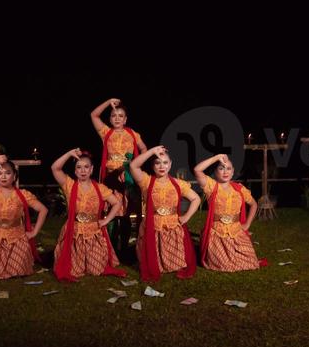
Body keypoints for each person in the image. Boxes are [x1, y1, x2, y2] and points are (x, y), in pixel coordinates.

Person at [51, 148, 125, 282]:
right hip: (74, 232)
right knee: (74, 270)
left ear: (91, 169)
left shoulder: (99, 188)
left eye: (86, 167)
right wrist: (68, 154)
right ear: (75, 171)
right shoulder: (69, 185)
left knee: (96, 270)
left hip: (93, 232)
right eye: (79, 167)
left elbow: (117, 203)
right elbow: (55, 168)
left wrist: (106, 220)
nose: (83, 170)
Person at [130, 145, 200, 281]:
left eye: (165, 162)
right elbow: (133, 166)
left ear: (170, 164)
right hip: (152, 226)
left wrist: (186, 217)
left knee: (177, 262)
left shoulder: (179, 183)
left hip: (172, 226)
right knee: (151, 262)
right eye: (157, 163)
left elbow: (196, 198)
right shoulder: (146, 181)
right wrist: (152, 151)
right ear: (153, 165)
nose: (162, 166)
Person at [90, 97, 147, 255]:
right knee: (113, 212)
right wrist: (108, 102)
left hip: (127, 177)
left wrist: (134, 166)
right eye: (113, 115)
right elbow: (94, 115)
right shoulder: (106, 133)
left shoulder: (133, 134)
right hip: (111, 178)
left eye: (120, 115)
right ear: (109, 119)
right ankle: (111, 248)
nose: (117, 118)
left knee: (128, 213)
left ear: (125, 119)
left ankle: (125, 249)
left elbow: (143, 149)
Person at [194, 153, 262, 271]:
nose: (225, 171)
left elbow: (254, 204)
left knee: (252, 262)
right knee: (223, 265)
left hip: (236, 231)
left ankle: (234, 255)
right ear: (215, 172)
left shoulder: (239, 189)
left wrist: (247, 224)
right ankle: (220, 258)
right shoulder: (212, 186)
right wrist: (217, 157)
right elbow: (197, 170)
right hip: (217, 232)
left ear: (233, 171)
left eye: (228, 168)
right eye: (221, 168)